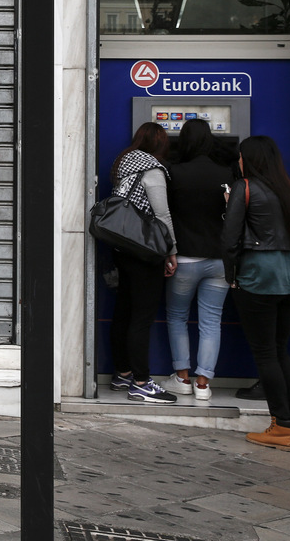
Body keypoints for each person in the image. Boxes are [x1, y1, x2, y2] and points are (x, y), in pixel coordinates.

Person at [222, 135, 290, 451]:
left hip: (259, 277)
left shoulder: (243, 189)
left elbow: (229, 240)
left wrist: (232, 277)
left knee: (265, 353)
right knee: (280, 349)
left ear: (249, 159)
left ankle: (281, 427)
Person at [160, 120, 238, 401]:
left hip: (184, 259)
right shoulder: (226, 173)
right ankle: (203, 384)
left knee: (177, 317)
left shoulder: (174, 172)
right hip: (218, 261)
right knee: (211, 322)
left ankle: (181, 377)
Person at [108, 122, 178, 404]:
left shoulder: (123, 164)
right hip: (144, 250)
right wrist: (171, 251)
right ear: (160, 145)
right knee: (142, 316)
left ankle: (123, 372)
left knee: (124, 311)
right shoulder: (152, 169)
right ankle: (141, 382)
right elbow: (162, 215)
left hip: (122, 248)